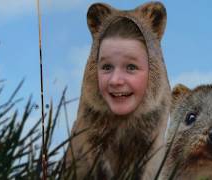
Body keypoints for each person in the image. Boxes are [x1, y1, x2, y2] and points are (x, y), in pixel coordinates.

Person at [64, 2, 171, 179]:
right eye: (106, 67)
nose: (116, 81)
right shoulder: (91, 101)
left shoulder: (159, 104)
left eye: (131, 67)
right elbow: (90, 145)